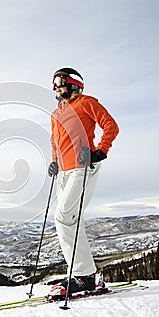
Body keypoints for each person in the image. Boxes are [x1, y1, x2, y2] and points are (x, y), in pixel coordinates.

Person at [47, 67, 119, 298]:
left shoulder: (87, 102)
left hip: (83, 167)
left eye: (60, 81)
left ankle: (84, 276)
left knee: (64, 217)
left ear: (74, 84)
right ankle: (85, 275)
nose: (56, 86)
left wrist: (99, 152)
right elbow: (54, 141)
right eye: (54, 83)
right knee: (69, 220)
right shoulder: (56, 113)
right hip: (65, 172)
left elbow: (110, 125)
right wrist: (54, 161)